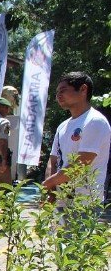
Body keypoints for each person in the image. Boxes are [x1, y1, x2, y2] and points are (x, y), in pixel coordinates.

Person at [43, 71, 111, 206]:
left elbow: (81, 164)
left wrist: (48, 183)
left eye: (63, 90)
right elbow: (53, 160)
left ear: (83, 89)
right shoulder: (62, 126)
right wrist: (50, 190)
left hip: (85, 204)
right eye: (57, 92)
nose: (58, 95)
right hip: (61, 202)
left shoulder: (95, 121)